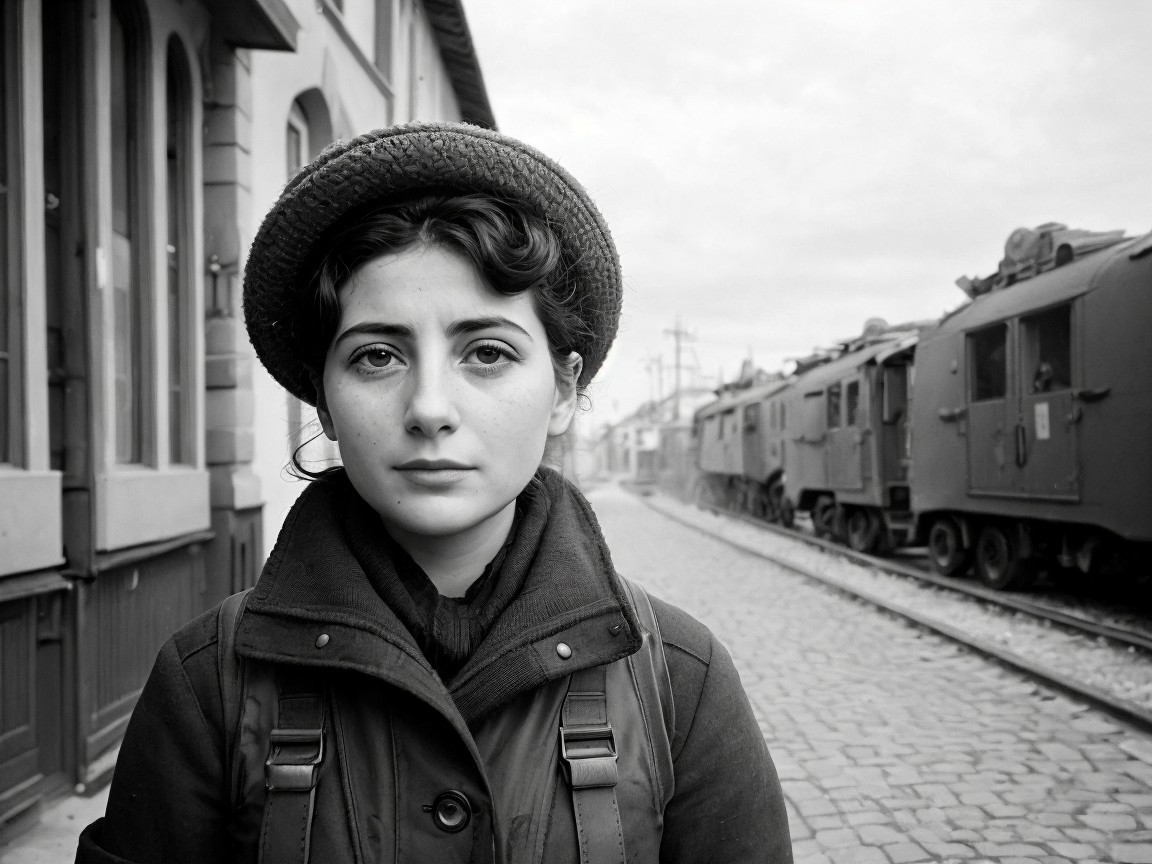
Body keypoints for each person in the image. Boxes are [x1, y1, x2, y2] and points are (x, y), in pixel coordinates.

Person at [76, 122, 792, 863]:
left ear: (562, 388)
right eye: (378, 356)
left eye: (486, 353)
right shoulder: (209, 686)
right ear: (323, 398)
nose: (428, 408)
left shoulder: (677, 679)